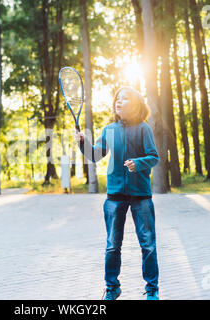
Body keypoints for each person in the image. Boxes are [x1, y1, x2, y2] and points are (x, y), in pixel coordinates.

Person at [74, 86, 160, 300]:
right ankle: (112, 288)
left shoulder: (143, 129)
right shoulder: (109, 130)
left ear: (136, 104)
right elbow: (95, 156)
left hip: (141, 195)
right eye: (117, 99)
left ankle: (152, 290)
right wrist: (83, 144)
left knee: (148, 245)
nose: (118, 102)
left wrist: (137, 163)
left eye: (124, 98)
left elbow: (154, 157)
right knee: (113, 246)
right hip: (114, 196)